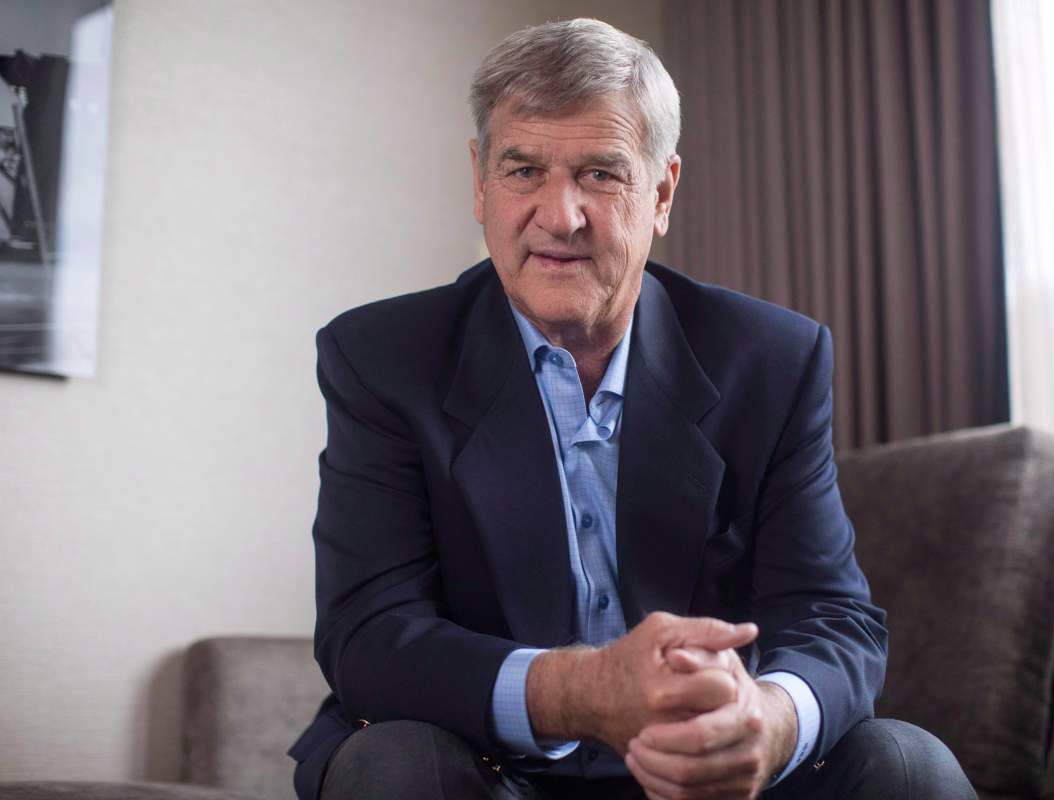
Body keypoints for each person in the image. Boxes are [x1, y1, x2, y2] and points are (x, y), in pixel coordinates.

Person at [288, 18, 976, 800]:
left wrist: (770, 719)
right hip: (492, 770)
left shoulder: (771, 361)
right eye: (523, 170)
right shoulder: (382, 358)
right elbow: (370, 636)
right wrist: (583, 691)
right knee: (395, 767)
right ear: (480, 182)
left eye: (601, 175)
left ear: (662, 191)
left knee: (908, 766)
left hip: (713, 781)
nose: (560, 215)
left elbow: (832, 618)